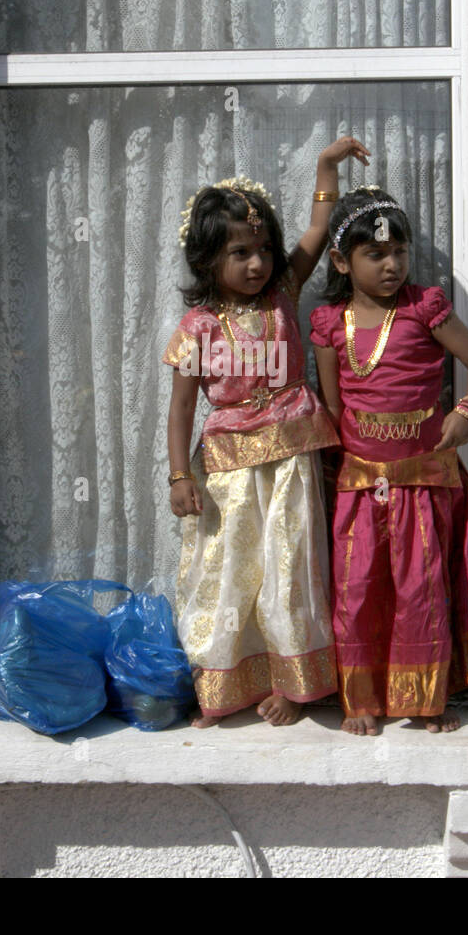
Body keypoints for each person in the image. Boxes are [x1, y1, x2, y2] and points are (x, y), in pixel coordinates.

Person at [162, 138, 370, 726]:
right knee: (228, 572)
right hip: (226, 469)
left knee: (290, 567)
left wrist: (326, 169)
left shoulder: (285, 293)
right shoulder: (198, 326)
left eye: (262, 249)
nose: (256, 264)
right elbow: (180, 408)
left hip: (292, 458)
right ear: (206, 261)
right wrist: (180, 475)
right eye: (239, 253)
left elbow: (315, 227)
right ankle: (223, 686)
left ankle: (291, 684)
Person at [309, 187, 468, 735]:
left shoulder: (425, 308)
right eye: (376, 255)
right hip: (361, 483)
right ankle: (359, 699)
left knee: (421, 589)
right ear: (342, 262)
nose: (392, 265)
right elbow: (334, 410)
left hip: (425, 482)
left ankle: (427, 700)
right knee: (358, 588)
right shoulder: (328, 325)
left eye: (401, 253)